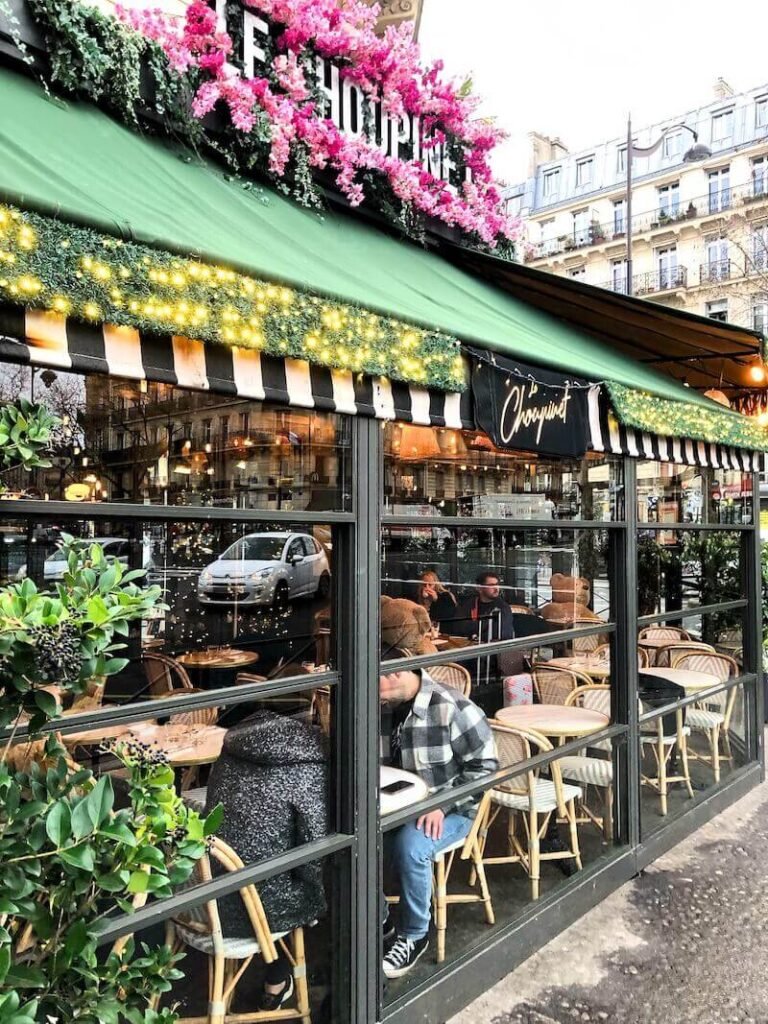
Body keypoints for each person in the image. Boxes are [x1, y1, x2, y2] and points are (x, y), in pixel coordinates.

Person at [379, 653, 497, 979]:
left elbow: (486, 767)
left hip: (456, 809)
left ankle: (415, 934)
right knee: (354, 842)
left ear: (396, 673)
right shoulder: (384, 709)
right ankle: (381, 920)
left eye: (378, 688)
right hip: (399, 805)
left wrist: (443, 803)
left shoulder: (452, 707)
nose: (376, 697)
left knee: (411, 847)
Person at [204, 710, 328, 1011]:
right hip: (261, 914)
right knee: (331, 882)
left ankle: (278, 975)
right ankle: (289, 976)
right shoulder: (306, 766)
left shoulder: (229, 754)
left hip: (205, 903)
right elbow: (313, 851)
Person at [455, 571, 516, 642]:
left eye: (497, 584)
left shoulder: (502, 607)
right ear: (479, 588)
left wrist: (476, 631)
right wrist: (485, 624)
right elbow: (459, 628)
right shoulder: (469, 604)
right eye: (491, 585)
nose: (496, 589)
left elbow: (503, 634)